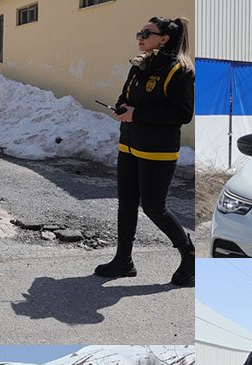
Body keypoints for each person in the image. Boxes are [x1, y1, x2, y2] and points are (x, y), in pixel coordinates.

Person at [94, 16, 195, 287]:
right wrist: (122, 109)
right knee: (126, 203)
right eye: (139, 32)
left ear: (164, 39)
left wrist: (137, 113)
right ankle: (123, 261)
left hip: (157, 150)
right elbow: (125, 97)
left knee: (153, 207)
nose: (140, 37)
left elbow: (182, 114)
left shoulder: (179, 70)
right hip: (129, 144)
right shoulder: (139, 65)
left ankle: (190, 256)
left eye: (146, 33)